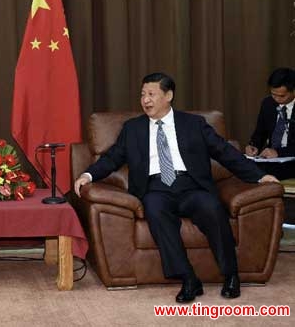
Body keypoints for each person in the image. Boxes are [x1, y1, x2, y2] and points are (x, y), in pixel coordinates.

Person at [74, 73, 279, 303]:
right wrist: (88, 174)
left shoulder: (194, 124)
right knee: (154, 208)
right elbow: (111, 158)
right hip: (156, 188)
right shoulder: (133, 129)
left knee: (212, 208)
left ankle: (231, 274)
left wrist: (260, 177)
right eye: (143, 95)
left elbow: (225, 152)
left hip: (191, 186)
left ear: (168, 95)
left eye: (151, 94)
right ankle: (189, 278)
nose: (145, 100)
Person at [245, 67, 295, 180]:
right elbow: (259, 133)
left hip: (291, 159)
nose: (277, 99)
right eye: (273, 94)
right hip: (271, 161)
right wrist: (253, 146)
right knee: (240, 164)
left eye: (282, 96)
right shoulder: (268, 103)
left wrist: (278, 152)